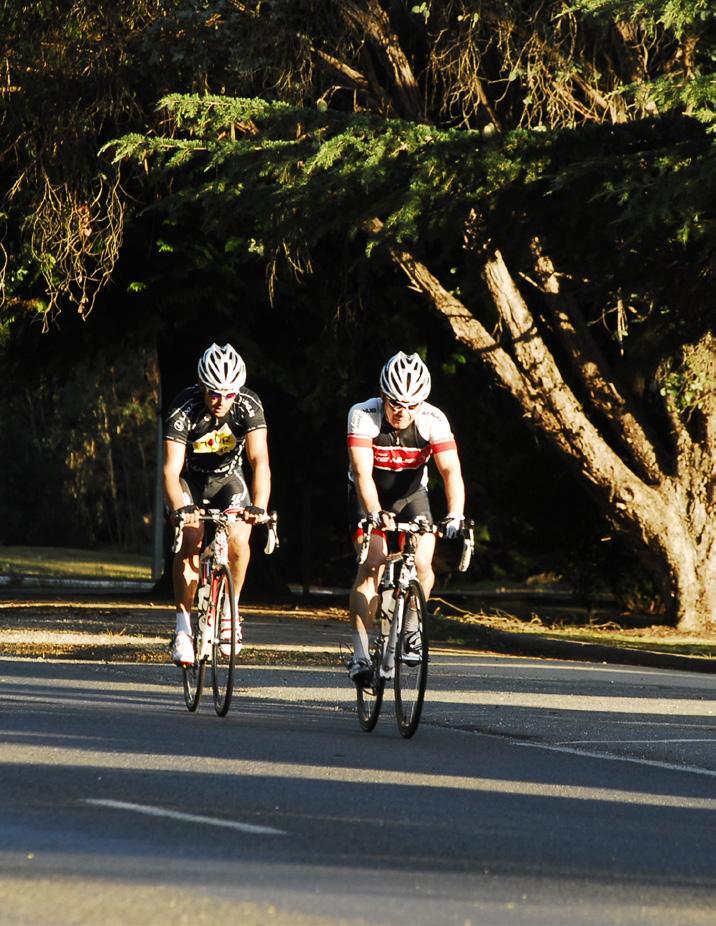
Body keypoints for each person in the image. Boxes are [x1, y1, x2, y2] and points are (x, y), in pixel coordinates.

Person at [345, 351, 466, 686]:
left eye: (411, 405)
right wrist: (374, 512)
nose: (402, 411)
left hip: (411, 496)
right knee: (372, 564)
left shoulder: (433, 420)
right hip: (369, 496)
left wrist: (455, 514)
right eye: (395, 403)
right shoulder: (363, 414)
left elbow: (450, 471)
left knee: (423, 562)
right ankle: (360, 652)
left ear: (422, 402)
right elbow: (361, 473)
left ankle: (411, 627)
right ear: (382, 395)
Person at [163, 342, 271, 666]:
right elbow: (170, 470)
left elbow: (259, 460)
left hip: (229, 481)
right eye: (213, 393)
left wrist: (259, 507)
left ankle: (230, 611)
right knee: (192, 538)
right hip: (192, 482)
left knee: (239, 539)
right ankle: (183, 629)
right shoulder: (185, 407)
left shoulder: (248, 404)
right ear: (202, 386)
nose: (221, 400)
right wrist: (179, 510)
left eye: (228, 394)